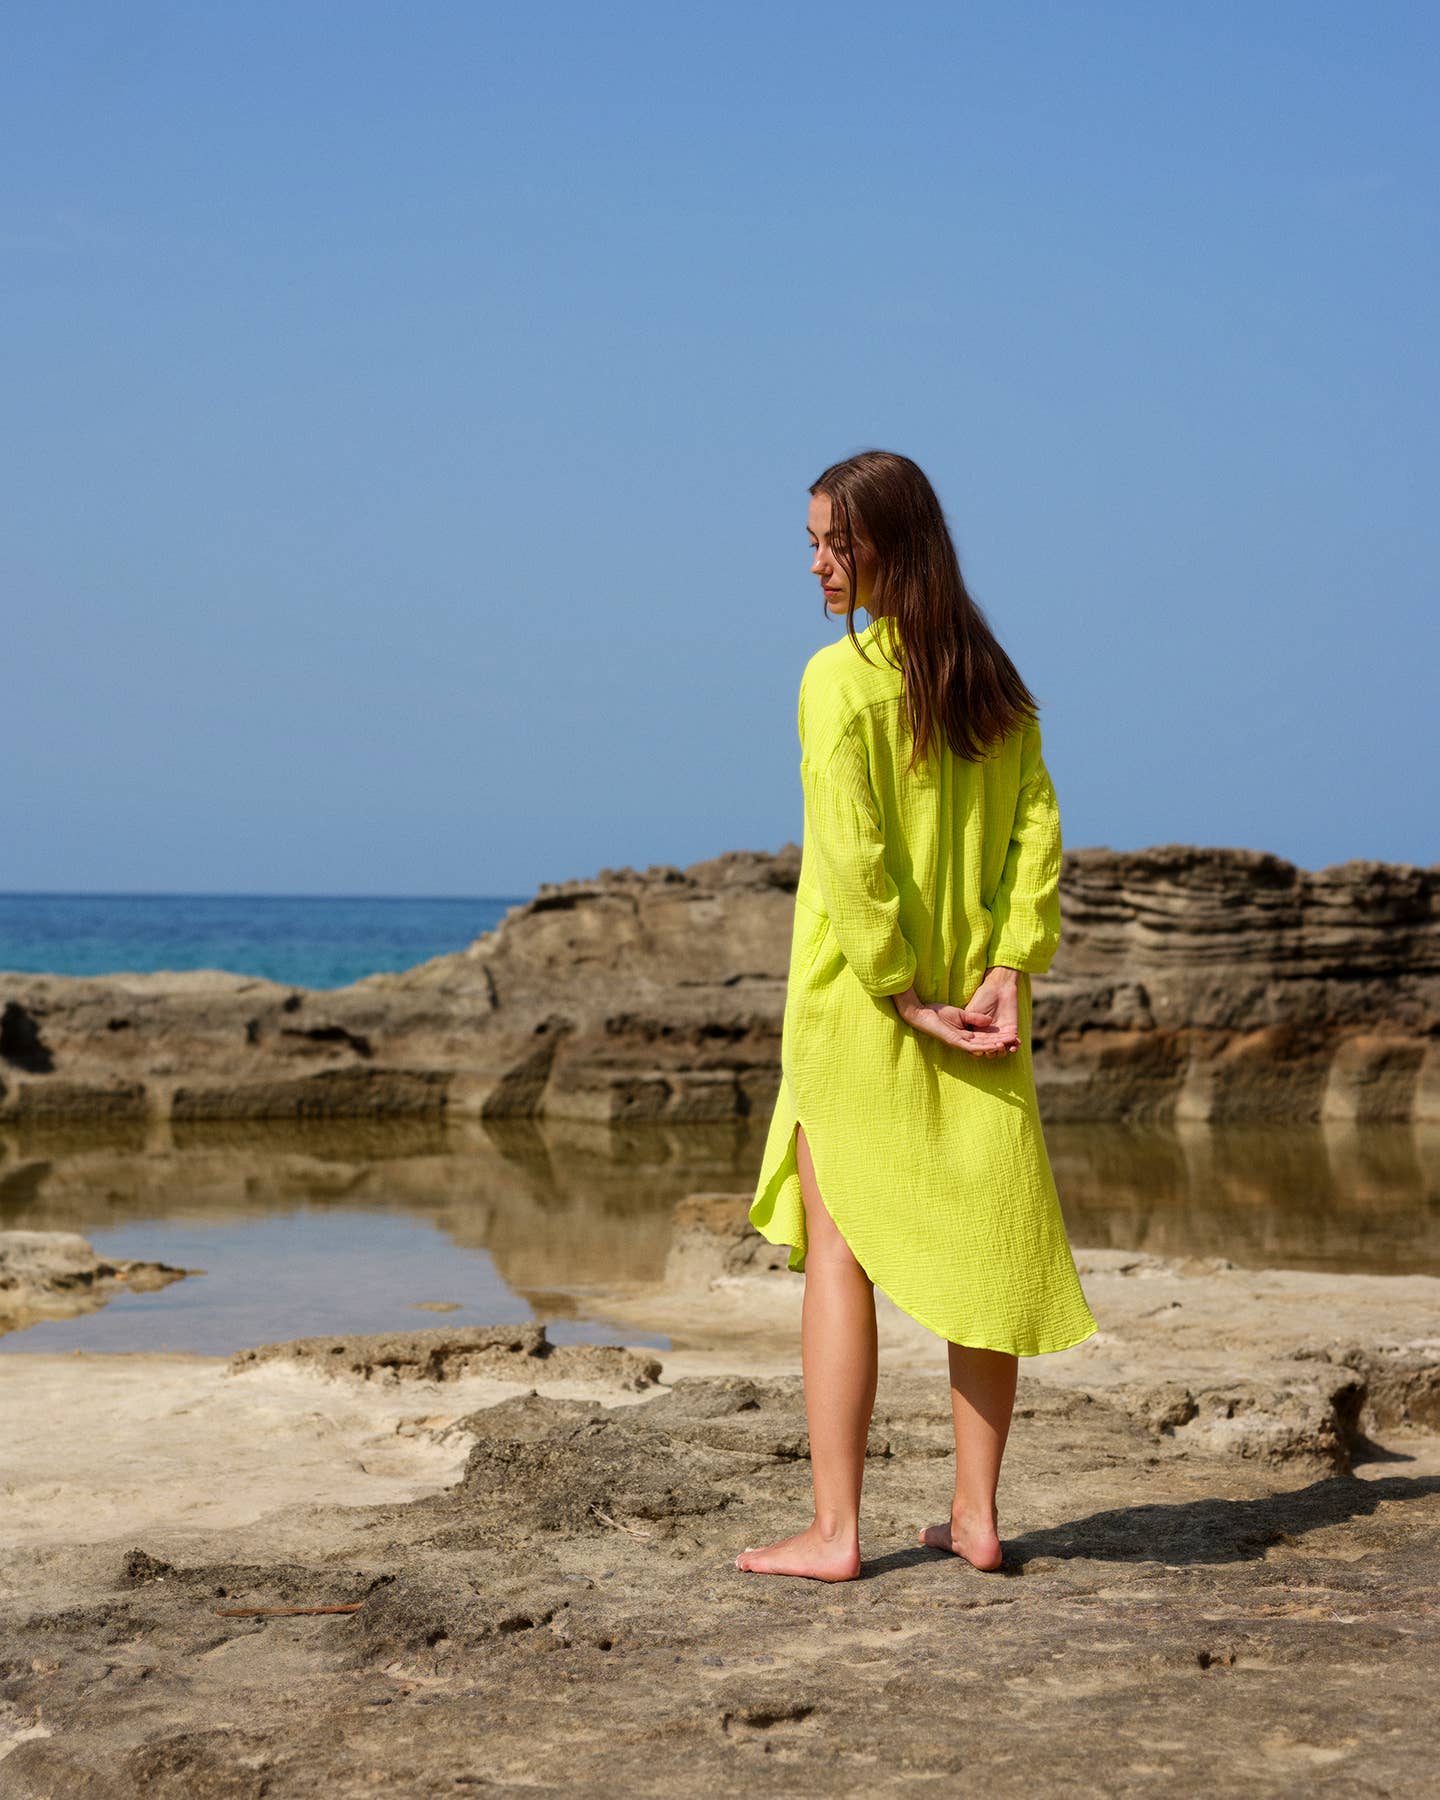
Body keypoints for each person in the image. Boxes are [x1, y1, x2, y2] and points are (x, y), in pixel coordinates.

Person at [737, 449, 1097, 1583]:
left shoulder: (836, 682)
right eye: (810, 543)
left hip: (866, 1012)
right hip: (982, 1011)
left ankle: (838, 1535)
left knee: (839, 1256)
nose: (818, 566)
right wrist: (1009, 964)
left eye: (836, 544)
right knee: (985, 1243)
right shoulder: (996, 684)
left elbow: (852, 861)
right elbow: (1035, 827)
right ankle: (975, 1518)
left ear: (895, 544)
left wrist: (901, 990)